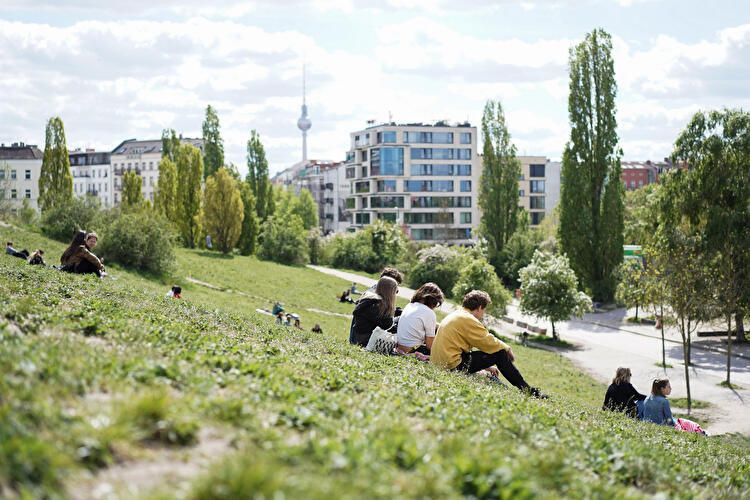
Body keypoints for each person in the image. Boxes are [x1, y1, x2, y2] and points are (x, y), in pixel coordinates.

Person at [431, 290, 546, 398]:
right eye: (484, 310)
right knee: (500, 353)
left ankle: (526, 388)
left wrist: (487, 366)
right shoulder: (468, 319)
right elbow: (487, 341)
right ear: (480, 307)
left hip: (440, 362)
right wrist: (506, 347)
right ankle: (527, 389)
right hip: (451, 366)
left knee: (497, 352)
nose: (483, 313)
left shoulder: (458, 314)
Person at [349, 276, 398, 347]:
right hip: (366, 341)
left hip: (357, 338)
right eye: (395, 291)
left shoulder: (370, 300)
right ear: (390, 291)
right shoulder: (378, 305)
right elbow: (387, 325)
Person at [396, 282, 444, 355]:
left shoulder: (409, 305)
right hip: (412, 350)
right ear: (434, 300)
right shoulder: (429, 313)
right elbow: (429, 346)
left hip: (400, 346)